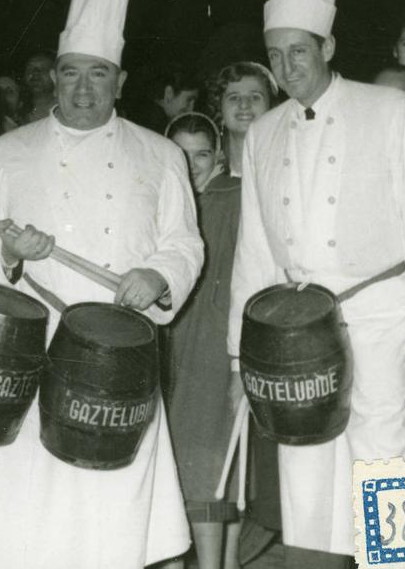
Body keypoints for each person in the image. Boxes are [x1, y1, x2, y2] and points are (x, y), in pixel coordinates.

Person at [0, 0, 203, 569]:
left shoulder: (160, 154)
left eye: (98, 74)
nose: (82, 88)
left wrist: (157, 277)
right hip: (29, 352)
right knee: (26, 511)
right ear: (53, 77)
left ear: (119, 81)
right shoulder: (7, 153)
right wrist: (9, 257)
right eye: (71, 73)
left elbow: (184, 242)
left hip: (118, 358)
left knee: (109, 511)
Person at [229, 0, 405, 567]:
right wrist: (241, 355)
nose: (287, 68)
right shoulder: (262, 132)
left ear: (328, 48)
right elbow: (253, 251)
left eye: (298, 51)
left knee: (383, 468)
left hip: (379, 323)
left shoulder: (393, 110)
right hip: (292, 338)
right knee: (304, 477)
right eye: (276, 57)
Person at [164, 112, 244, 569]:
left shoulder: (233, 197)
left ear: (218, 157)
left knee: (211, 461)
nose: (192, 166)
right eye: (181, 155)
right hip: (174, 341)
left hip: (214, 344)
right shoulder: (163, 197)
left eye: (202, 155)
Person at [207, 61, 277, 177]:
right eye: (234, 98)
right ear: (220, 110)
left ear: (271, 107)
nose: (244, 104)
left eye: (255, 97)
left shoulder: (288, 165)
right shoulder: (208, 175)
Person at [20, 49, 56, 123]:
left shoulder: (62, 109)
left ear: (54, 75)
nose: (35, 73)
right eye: (30, 69)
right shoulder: (17, 109)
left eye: (43, 69)